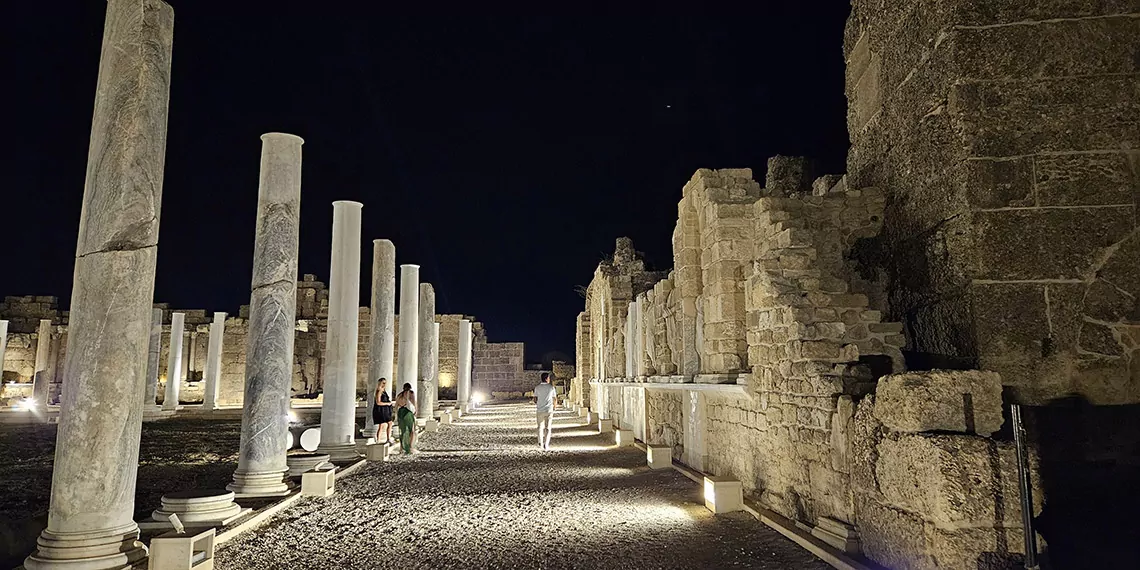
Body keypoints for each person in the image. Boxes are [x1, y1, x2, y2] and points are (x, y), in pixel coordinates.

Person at [534, 372, 557, 450]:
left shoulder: (537, 388)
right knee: (548, 428)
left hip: (540, 410)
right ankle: (546, 444)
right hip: (549, 410)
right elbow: (554, 398)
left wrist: (539, 402)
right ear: (547, 378)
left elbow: (535, 399)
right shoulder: (551, 388)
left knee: (540, 427)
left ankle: (540, 442)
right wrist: (554, 406)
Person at [394, 382, 417, 455]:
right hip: (407, 412)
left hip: (401, 412)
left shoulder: (399, 395)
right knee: (411, 430)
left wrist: (396, 415)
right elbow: (413, 403)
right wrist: (416, 410)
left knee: (403, 430)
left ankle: (401, 448)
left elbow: (396, 406)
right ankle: (410, 447)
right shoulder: (411, 393)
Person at [373, 378, 394, 445]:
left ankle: (385, 439)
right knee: (387, 423)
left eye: (385, 383)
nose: (384, 384)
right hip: (381, 410)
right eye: (383, 383)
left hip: (385, 410)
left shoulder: (383, 391)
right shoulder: (379, 391)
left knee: (383, 425)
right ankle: (384, 439)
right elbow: (378, 402)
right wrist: (387, 403)